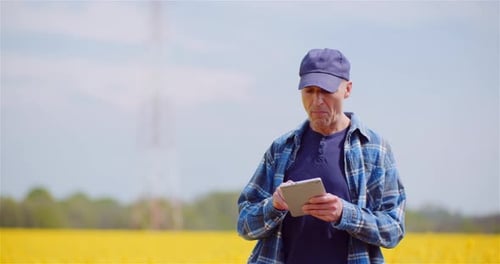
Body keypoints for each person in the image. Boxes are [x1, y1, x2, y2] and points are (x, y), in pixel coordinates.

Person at [237, 48, 406, 264]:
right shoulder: (281, 149)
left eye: (326, 91)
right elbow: (244, 224)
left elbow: (394, 229)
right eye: (309, 91)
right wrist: (274, 206)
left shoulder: (374, 149)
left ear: (348, 89)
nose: (316, 101)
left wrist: (345, 214)